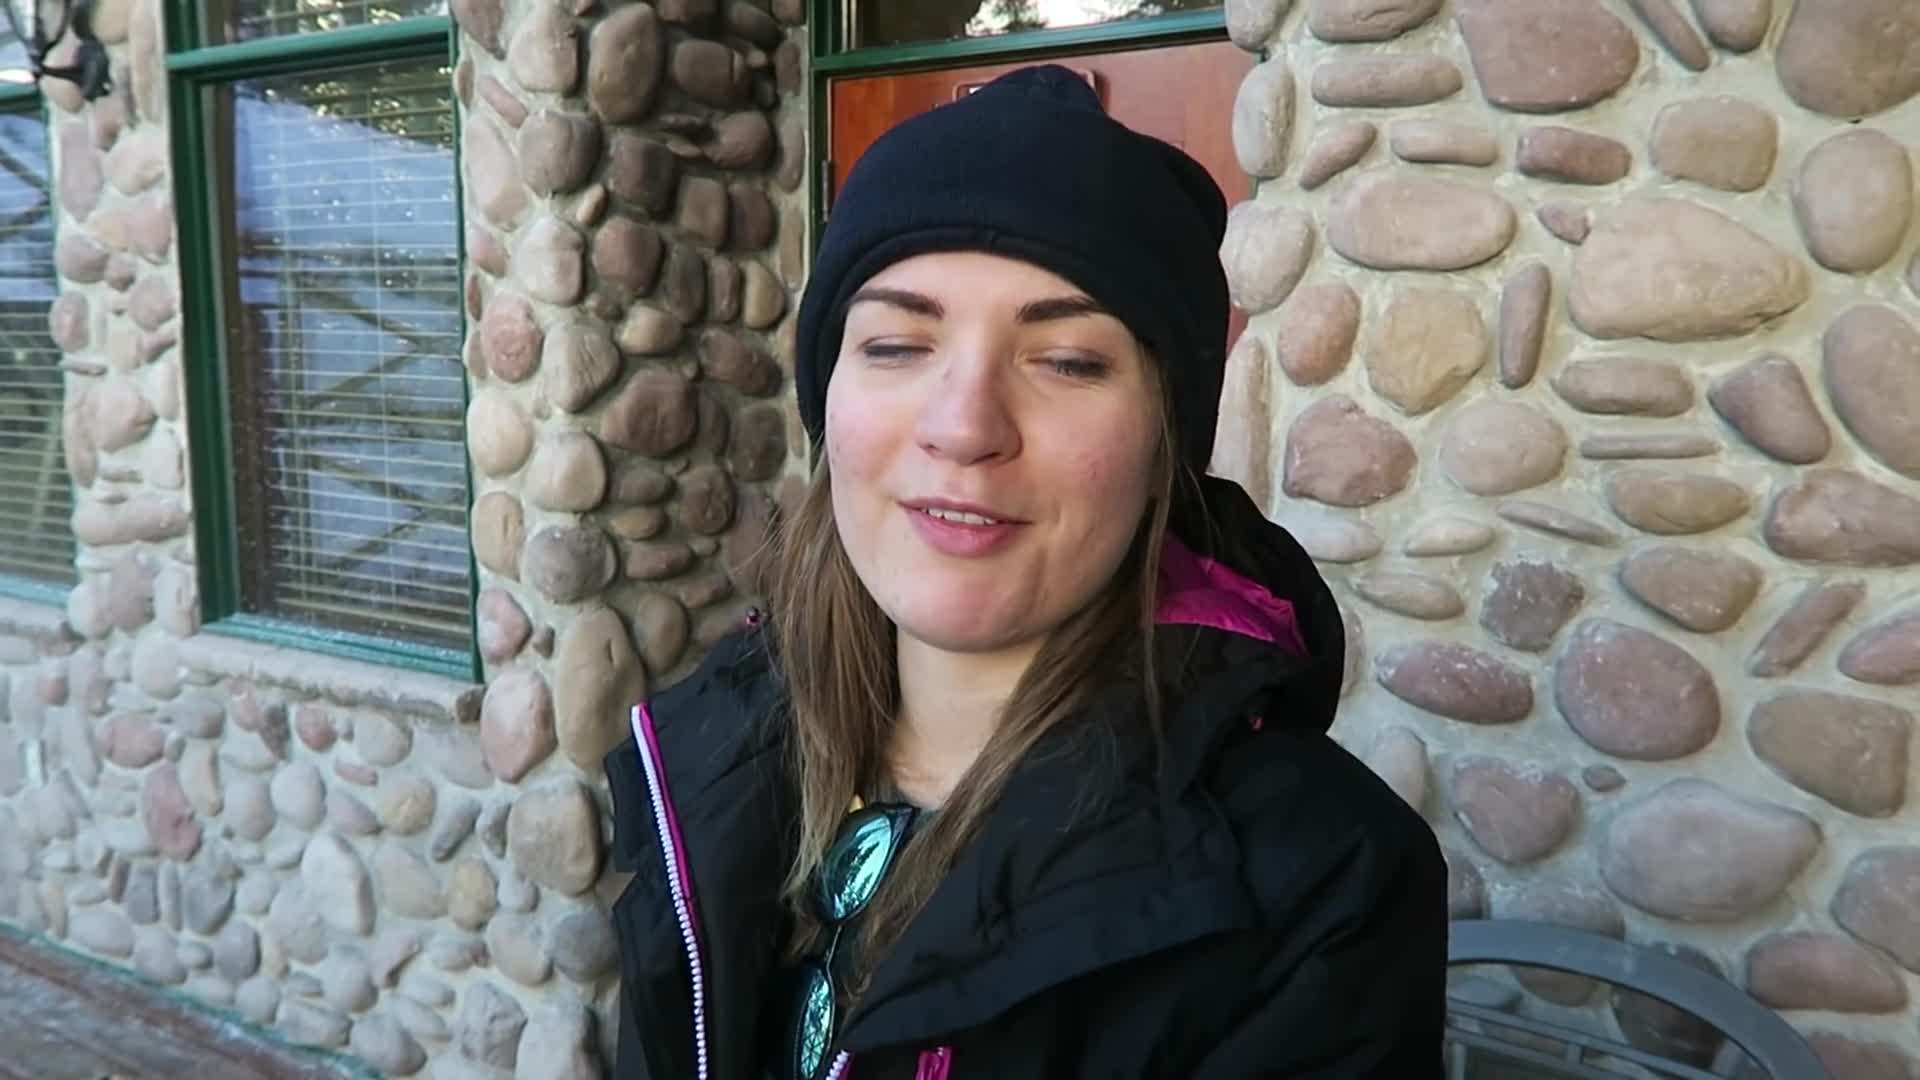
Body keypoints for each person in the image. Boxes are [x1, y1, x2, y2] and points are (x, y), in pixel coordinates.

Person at [604, 64, 1446, 1080]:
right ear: (828, 403)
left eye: (1068, 361)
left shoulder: (1325, 889)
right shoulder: (708, 764)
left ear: (1164, 443)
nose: (964, 426)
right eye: (898, 344)